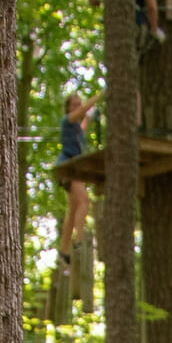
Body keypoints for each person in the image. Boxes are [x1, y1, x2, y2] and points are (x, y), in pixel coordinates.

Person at [57, 92, 102, 266]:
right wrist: (99, 96)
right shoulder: (67, 120)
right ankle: (79, 241)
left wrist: (88, 120)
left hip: (72, 167)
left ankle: (64, 251)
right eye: (74, 105)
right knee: (84, 201)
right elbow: (83, 110)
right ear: (68, 108)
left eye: (79, 104)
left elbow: (81, 128)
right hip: (69, 167)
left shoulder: (75, 126)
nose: (78, 108)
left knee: (74, 207)